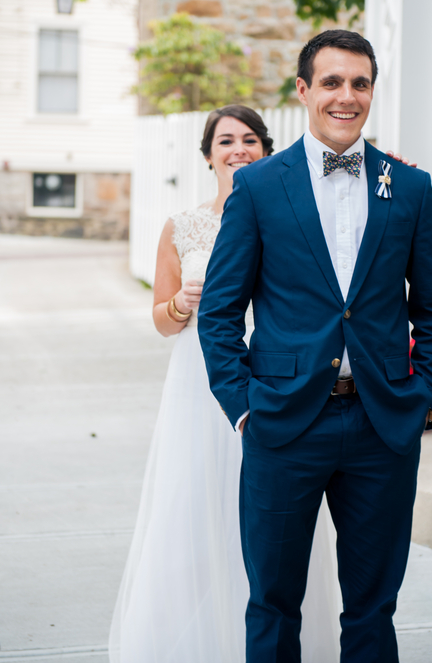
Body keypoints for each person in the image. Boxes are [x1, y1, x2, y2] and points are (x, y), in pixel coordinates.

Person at [198, 31, 432, 663]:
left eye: (360, 83)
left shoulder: (411, 188)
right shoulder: (259, 186)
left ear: (372, 91)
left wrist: (425, 399)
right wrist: (244, 407)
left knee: (373, 607)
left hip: (382, 424)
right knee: (273, 604)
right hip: (283, 424)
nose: (347, 96)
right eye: (333, 82)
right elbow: (220, 311)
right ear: (304, 91)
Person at [109, 105, 342, 663]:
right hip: (198, 386)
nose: (238, 149)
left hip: (276, 379)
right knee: (195, 509)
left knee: (276, 521)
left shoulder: (293, 214)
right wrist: (179, 303)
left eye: (250, 140)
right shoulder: (182, 227)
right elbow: (161, 321)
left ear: (265, 150)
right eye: (226, 141)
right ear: (208, 154)